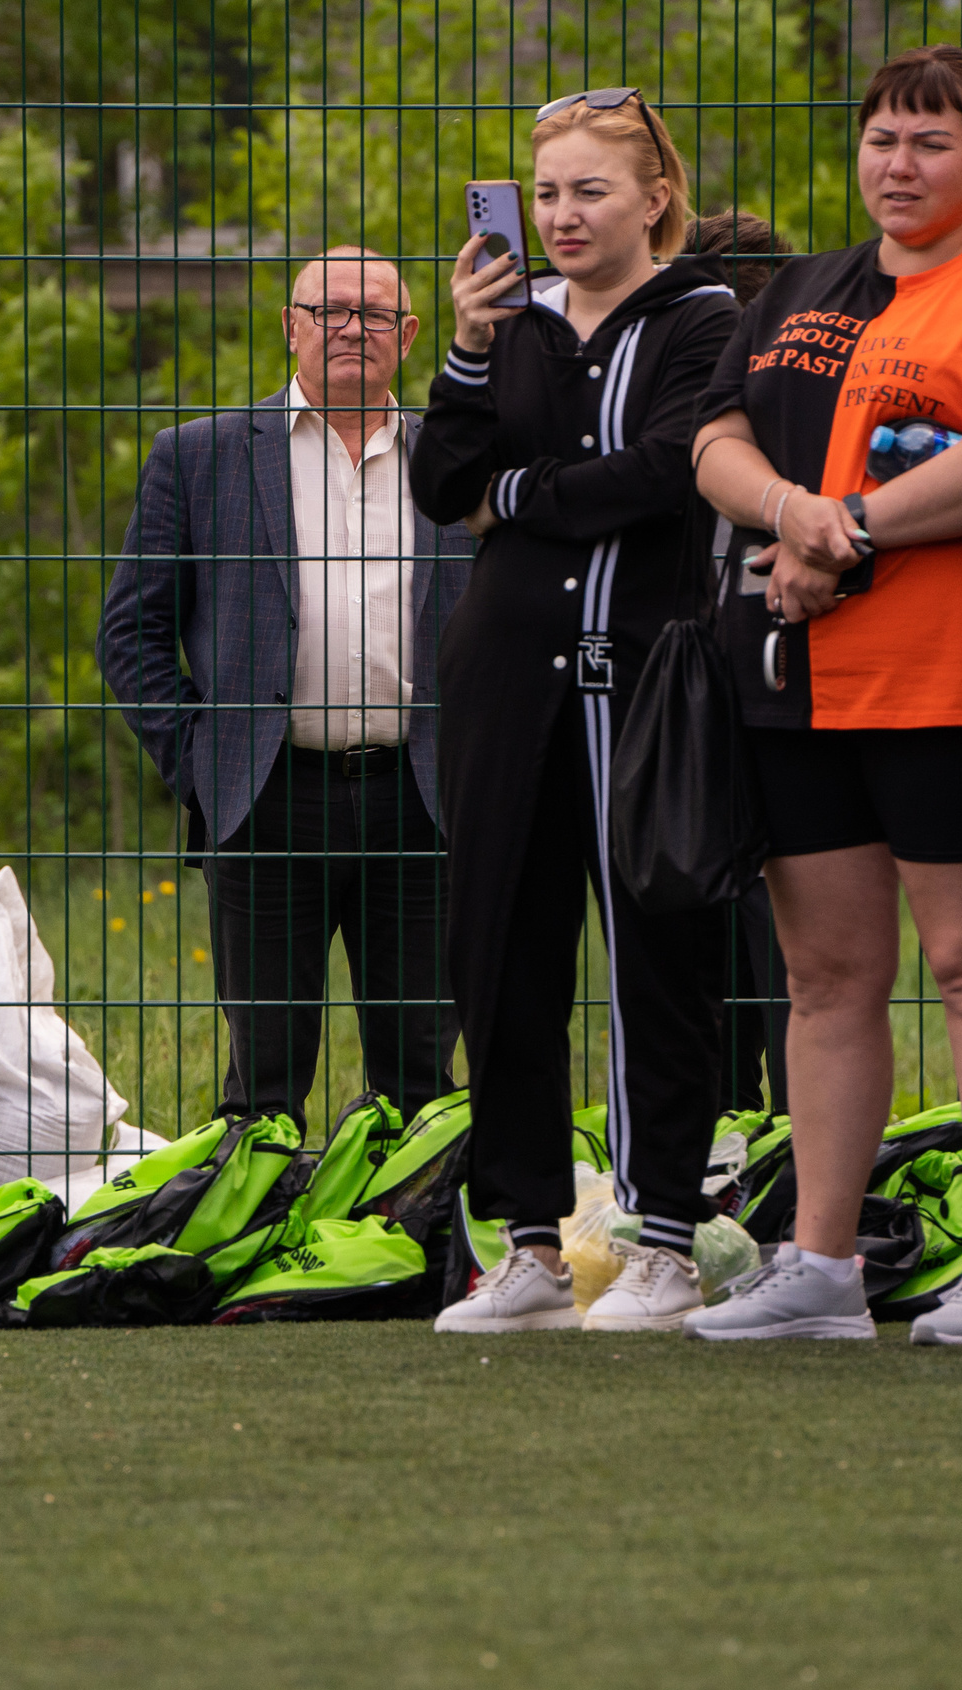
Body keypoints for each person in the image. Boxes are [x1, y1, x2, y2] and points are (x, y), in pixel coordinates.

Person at [682, 46, 962, 1346]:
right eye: (883, 141)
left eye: (932, 143)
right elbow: (713, 438)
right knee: (825, 972)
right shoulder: (798, 287)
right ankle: (822, 1262)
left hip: (951, 676)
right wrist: (789, 509)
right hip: (794, 679)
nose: (899, 166)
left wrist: (839, 525)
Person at [409, 90, 739, 1334]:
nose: (561, 216)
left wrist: (518, 492)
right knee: (498, 955)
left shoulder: (706, 315)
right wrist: (466, 349)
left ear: (652, 197)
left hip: (645, 680)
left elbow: (659, 477)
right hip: (503, 679)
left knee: (657, 953)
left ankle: (661, 1241)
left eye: (590, 191)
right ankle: (530, 1246)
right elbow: (444, 480)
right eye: (545, 194)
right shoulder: (511, 322)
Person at [97, 248, 472, 1125]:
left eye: (375, 314)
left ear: (409, 336)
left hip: (423, 801)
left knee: (421, 1079)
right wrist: (206, 764)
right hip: (268, 797)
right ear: (289, 325)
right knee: (263, 1087)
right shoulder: (201, 457)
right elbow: (132, 632)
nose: (352, 328)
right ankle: (262, 1235)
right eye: (330, 309)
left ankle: (405, 1250)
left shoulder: (454, 464)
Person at [694, 207, 798, 1118]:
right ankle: (736, 1146)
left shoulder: (792, 424)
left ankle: (787, 1151)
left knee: (783, 955)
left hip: (771, 690)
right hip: (698, 704)